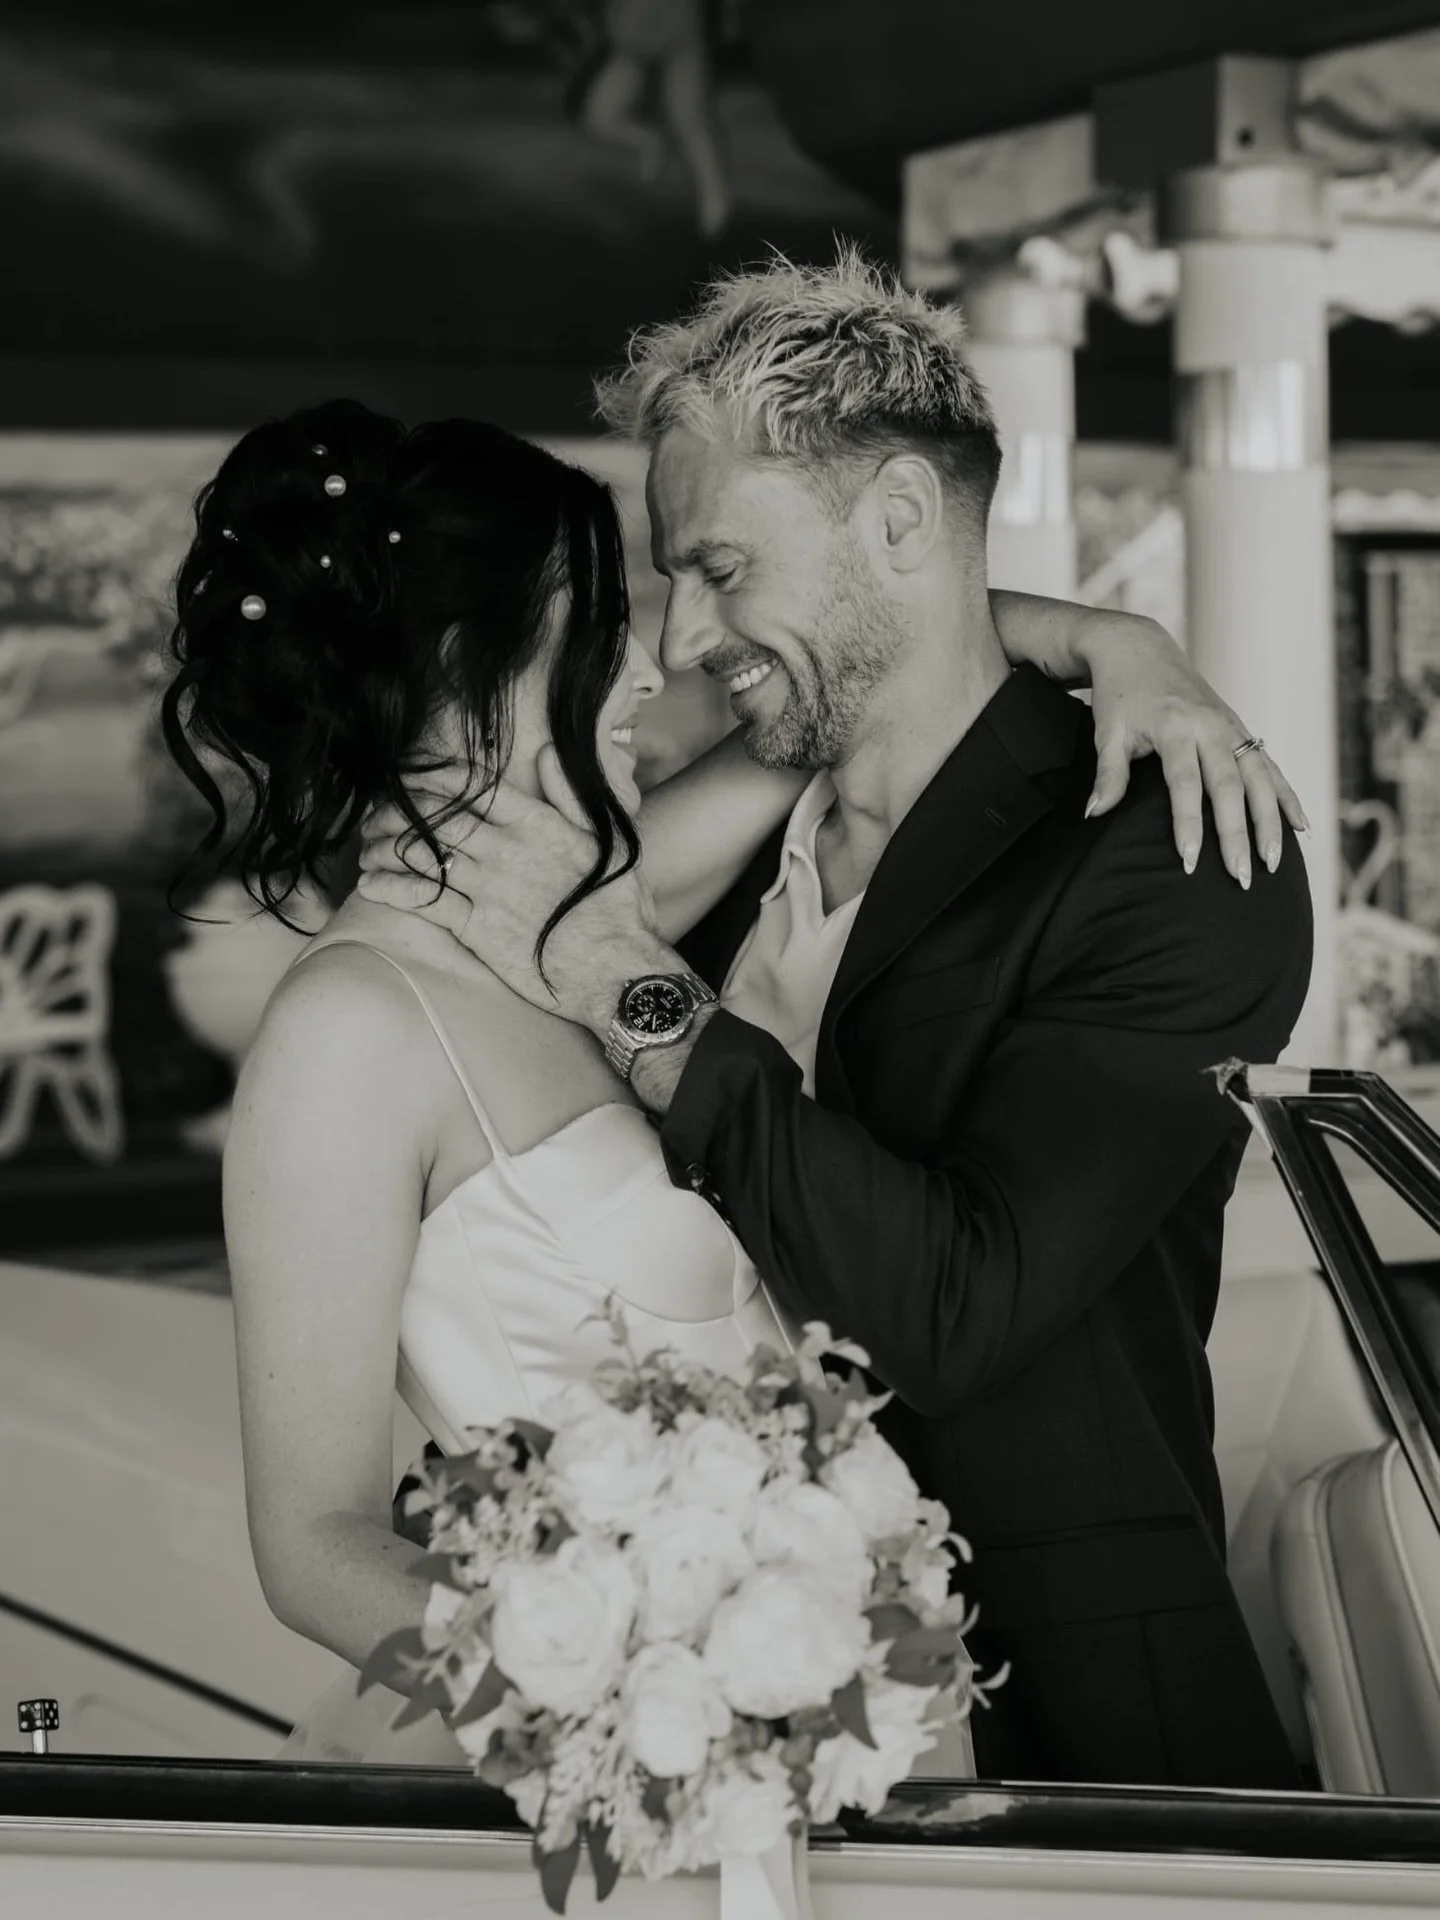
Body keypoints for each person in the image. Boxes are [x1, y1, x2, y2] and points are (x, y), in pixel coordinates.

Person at [357, 252, 1313, 1790]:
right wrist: (1086, 627)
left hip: (1075, 1745)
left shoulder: (1167, 853)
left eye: (720, 569)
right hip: (723, 1731)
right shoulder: (735, 831)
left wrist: (636, 989)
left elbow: (959, 1311)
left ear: (895, 522)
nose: (678, 641)